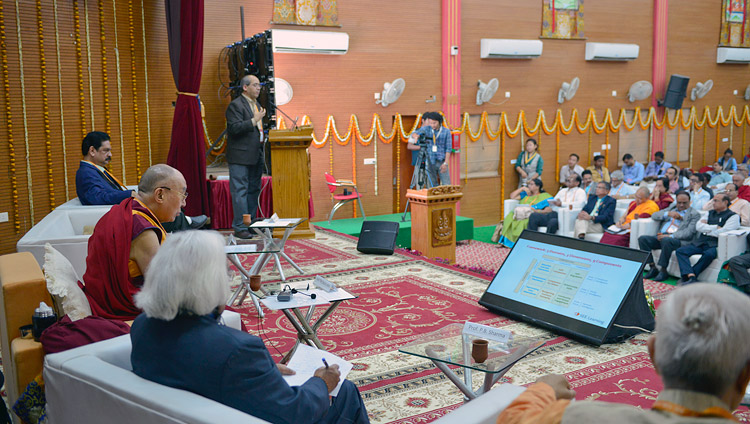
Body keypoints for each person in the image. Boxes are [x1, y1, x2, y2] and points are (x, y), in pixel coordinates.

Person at [130, 231, 369, 424]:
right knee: (345, 391)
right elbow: (296, 413)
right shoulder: (237, 350)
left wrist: (260, 371)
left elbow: (200, 367)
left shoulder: (142, 326)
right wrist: (321, 382)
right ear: (210, 284)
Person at [497, 283, 750, 424]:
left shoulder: (583, 418)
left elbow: (512, 420)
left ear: (653, 353)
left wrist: (545, 389)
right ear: (746, 374)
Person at [81, 164, 186, 320]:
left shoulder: (128, 212)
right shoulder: (143, 230)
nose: (183, 203)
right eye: (182, 195)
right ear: (160, 195)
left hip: (102, 300)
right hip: (129, 312)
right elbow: (162, 290)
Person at [75, 131, 208, 231]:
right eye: (106, 151)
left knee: (167, 200)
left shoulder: (95, 170)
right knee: (163, 206)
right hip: (119, 215)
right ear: (92, 150)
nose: (110, 155)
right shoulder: (86, 173)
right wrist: (129, 194)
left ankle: (186, 225)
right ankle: (186, 233)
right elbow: (96, 197)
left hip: (121, 209)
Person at [226, 75, 266, 239]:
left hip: (255, 154)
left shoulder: (256, 104)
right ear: (245, 87)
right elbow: (234, 128)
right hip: (240, 157)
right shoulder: (235, 106)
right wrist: (253, 121)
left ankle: (250, 225)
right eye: (255, 85)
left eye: (259, 85)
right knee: (240, 191)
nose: (258, 88)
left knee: (253, 190)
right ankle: (240, 226)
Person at [675, 193, 740, 285]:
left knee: (709, 254)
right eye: (713, 200)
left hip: (716, 244)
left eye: (716, 200)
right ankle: (691, 276)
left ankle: (689, 277)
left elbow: (724, 232)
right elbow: (698, 227)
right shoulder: (709, 213)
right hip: (701, 242)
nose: (713, 203)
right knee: (681, 251)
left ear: (725, 202)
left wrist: (707, 229)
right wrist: (715, 227)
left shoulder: (733, 216)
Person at [640, 191, 700, 282]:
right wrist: (667, 214)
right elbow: (654, 215)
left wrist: (670, 236)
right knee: (643, 239)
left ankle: (663, 270)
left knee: (667, 240)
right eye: (679, 202)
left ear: (689, 202)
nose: (681, 205)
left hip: (678, 240)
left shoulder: (694, 214)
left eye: (684, 203)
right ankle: (652, 267)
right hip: (662, 236)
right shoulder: (672, 208)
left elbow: (688, 233)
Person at [497, 179, 553, 248]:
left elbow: (548, 210)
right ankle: (504, 242)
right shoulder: (526, 194)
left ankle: (518, 243)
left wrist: (535, 211)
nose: (529, 186)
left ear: (537, 186)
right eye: (529, 184)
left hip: (530, 214)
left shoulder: (545, 196)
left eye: (531, 184)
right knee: (509, 218)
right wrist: (522, 188)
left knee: (523, 222)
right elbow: (512, 196)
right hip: (519, 212)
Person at [408, 111, 452, 188]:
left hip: (441, 162)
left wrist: (445, 163)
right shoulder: (427, 129)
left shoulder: (446, 132)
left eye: (434, 123)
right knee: (432, 186)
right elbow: (415, 133)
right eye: (430, 123)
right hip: (430, 162)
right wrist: (416, 136)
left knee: (446, 184)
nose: (432, 125)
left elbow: (448, 149)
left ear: (439, 121)